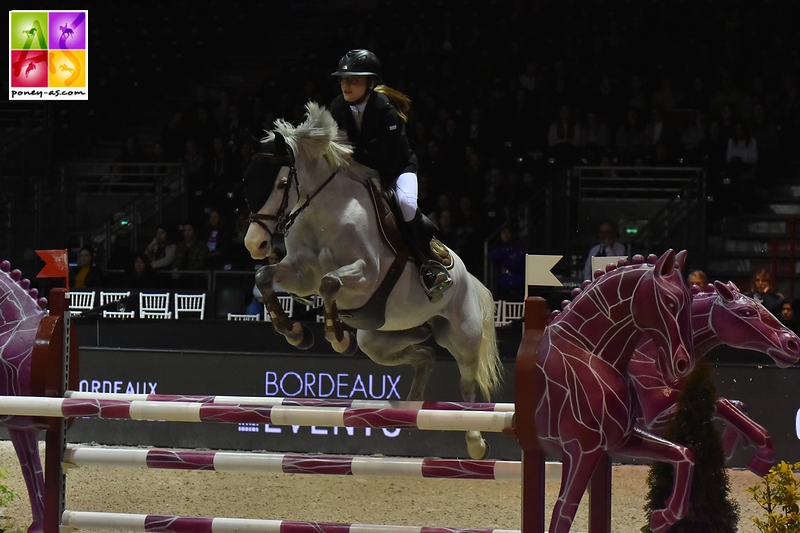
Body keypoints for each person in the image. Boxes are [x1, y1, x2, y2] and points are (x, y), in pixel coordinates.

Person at [328, 49, 451, 301]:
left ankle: (429, 265)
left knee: (405, 205)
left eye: (353, 79)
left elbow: (386, 160)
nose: (346, 84)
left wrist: (350, 151)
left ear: (371, 83)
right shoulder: (337, 107)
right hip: (360, 170)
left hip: (396, 170)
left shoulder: (385, 111)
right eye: (343, 79)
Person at [489, 225, 526, 302]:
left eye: (508, 232)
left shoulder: (518, 247)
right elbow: (493, 256)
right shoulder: (498, 247)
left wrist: (504, 261)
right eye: (504, 232)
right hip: (504, 286)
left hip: (517, 285)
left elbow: (516, 263)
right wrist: (508, 255)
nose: (506, 235)